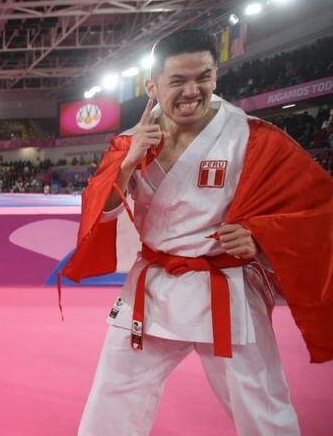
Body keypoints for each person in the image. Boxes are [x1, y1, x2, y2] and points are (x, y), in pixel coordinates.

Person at [63, 30, 333, 435]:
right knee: (113, 396)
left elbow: (315, 209)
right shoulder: (131, 141)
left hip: (226, 288)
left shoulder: (253, 137)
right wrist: (126, 162)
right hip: (152, 287)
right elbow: (99, 214)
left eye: (202, 77)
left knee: (261, 407)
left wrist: (259, 237)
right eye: (178, 81)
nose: (193, 91)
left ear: (216, 75)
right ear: (152, 86)